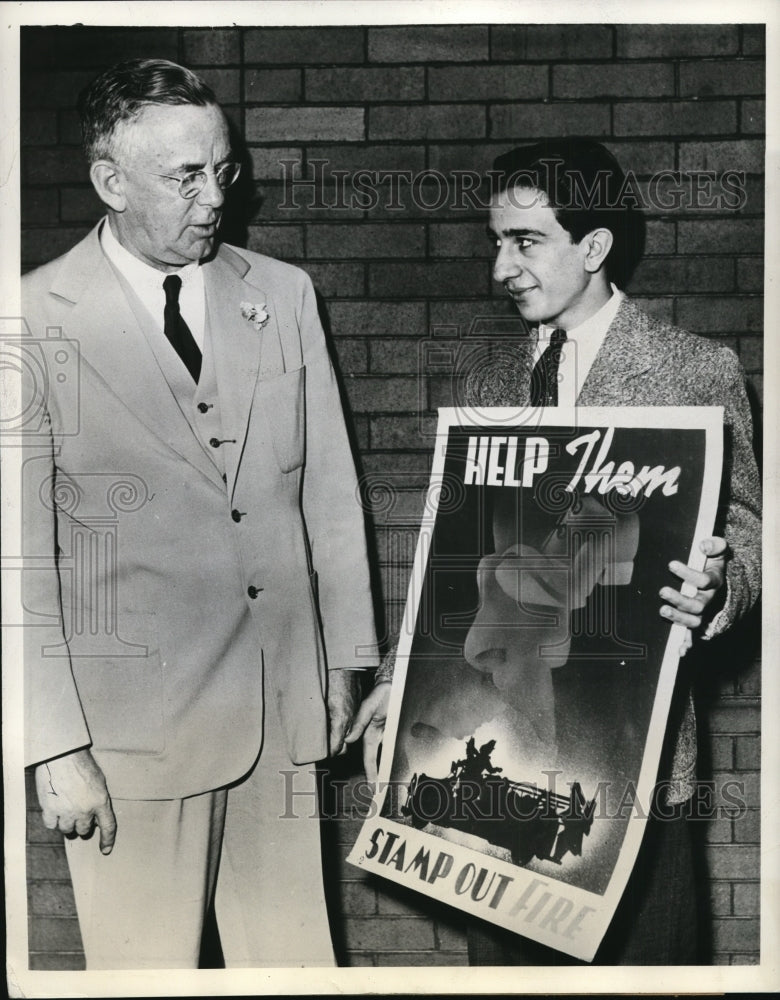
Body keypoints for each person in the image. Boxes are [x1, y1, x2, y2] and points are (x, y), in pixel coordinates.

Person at [352, 138, 761, 964]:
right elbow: (450, 554)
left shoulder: (692, 370)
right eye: (495, 242)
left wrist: (723, 588)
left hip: (628, 755)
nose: (501, 267)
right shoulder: (495, 380)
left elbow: (749, 526)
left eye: (525, 241)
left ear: (594, 246)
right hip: (500, 741)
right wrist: (398, 682)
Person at [21, 58, 379, 969]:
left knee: (296, 979)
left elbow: (329, 496)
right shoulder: (28, 319)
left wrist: (346, 663)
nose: (215, 198)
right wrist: (54, 746)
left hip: (283, 718)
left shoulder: (285, 295)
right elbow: (15, 559)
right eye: (185, 177)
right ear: (111, 181)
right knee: (143, 983)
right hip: (129, 741)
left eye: (222, 169)